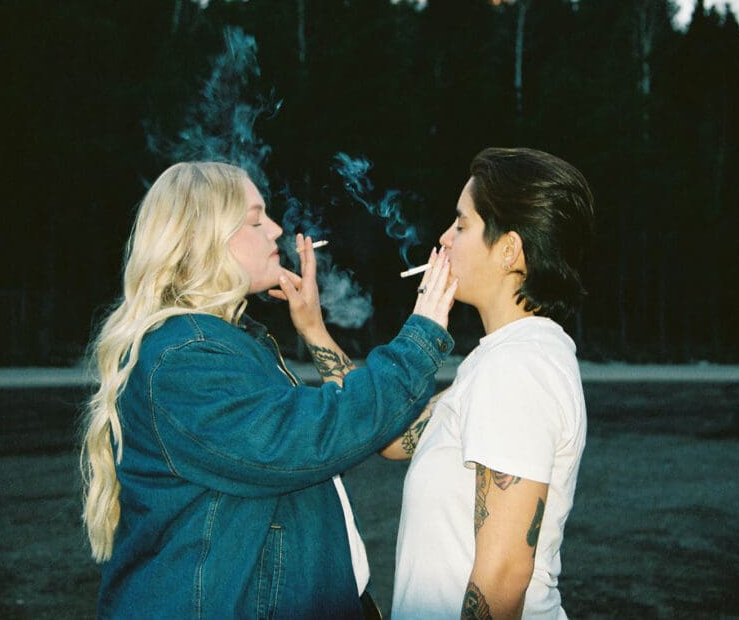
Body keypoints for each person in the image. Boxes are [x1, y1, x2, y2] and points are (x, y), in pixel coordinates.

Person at [80, 160, 457, 619]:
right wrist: (421, 337)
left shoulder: (228, 343)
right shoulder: (184, 358)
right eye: (256, 220)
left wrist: (313, 328)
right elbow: (314, 437)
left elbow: (333, 422)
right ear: (203, 241)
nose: (277, 229)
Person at [385, 147, 595, 619]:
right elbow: (396, 437)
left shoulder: (519, 369)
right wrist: (314, 327)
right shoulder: (498, 360)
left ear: (508, 250)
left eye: (461, 225)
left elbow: (502, 575)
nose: (444, 238)